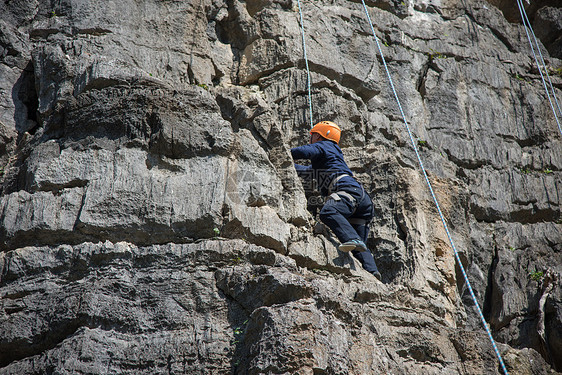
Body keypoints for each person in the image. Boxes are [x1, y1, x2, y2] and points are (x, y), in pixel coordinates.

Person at [291, 120, 381, 279]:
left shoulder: (324, 145)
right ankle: (372, 272)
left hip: (347, 190)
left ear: (318, 136)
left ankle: (354, 241)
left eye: (311, 136)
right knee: (358, 245)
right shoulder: (331, 156)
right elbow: (308, 171)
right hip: (362, 200)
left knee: (329, 212)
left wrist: (285, 152)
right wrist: (286, 164)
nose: (310, 139)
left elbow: (303, 152)